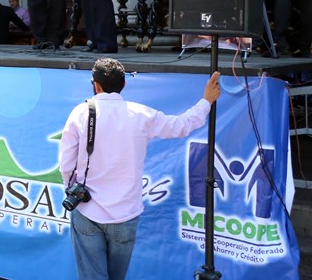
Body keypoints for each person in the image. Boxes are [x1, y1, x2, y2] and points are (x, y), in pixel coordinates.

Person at [59, 58, 221, 280]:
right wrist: (206, 101)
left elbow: (66, 162)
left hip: (87, 209)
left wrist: (72, 190)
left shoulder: (80, 113)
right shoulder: (141, 114)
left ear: (95, 85)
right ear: (124, 85)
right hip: (125, 214)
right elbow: (181, 125)